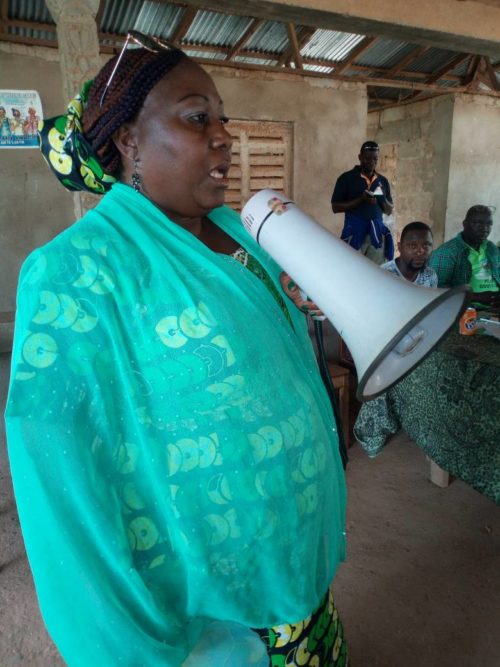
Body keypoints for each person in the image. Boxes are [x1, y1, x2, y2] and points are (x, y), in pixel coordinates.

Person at [5, 34, 348, 667]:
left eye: (223, 119)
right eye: (197, 118)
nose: (224, 136)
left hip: (296, 551)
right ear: (129, 141)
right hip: (213, 601)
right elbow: (59, 472)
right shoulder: (77, 271)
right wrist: (125, 636)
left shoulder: (240, 231)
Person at [331, 140, 394, 265]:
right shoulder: (346, 178)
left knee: (376, 271)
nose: (371, 162)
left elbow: (388, 210)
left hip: (376, 235)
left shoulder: (382, 181)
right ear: (360, 157)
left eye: (375, 159)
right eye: (367, 158)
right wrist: (361, 199)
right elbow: (335, 207)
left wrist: (381, 198)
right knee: (351, 269)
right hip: (354, 233)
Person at [428, 204, 500, 311]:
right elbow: (436, 290)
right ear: (465, 224)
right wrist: (477, 297)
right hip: (470, 310)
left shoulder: (491, 248)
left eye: (489, 224)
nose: (485, 228)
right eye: (478, 223)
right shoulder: (447, 252)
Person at [382, 221, 438, 287]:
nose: (420, 252)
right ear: (400, 247)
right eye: (413, 246)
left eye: (426, 245)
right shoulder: (384, 274)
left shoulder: (430, 276)